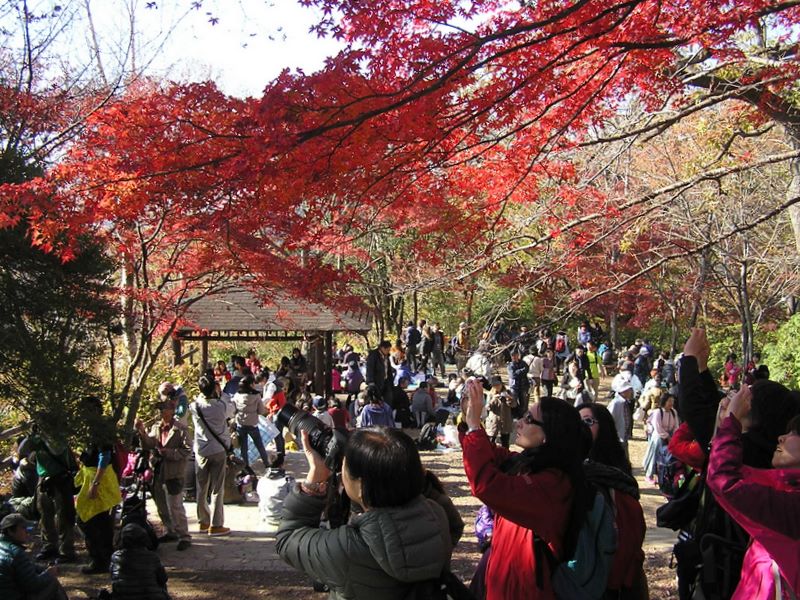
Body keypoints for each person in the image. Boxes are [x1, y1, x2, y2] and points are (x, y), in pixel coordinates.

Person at [276, 427, 453, 598]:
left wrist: (315, 477)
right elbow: (454, 525)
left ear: (361, 487)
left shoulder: (347, 548)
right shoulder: (437, 516)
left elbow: (288, 538)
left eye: (344, 466)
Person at [460, 380, 589, 599]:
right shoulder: (526, 464)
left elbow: (487, 485)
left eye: (529, 419)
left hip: (527, 590)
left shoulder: (551, 484)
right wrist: (470, 418)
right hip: (506, 584)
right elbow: (490, 455)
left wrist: (474, 427)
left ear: (548, 434)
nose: (519, 422)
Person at [706, 385, 800, 599]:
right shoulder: (781, 485)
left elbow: (725, 481)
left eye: (795, 432)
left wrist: (732, 421)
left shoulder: (793, 503)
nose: (782, 437)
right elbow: (728, 474)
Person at [576, 403, 648, 599]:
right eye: (577, 422)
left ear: (604, 427)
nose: (581, 427)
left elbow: (632, 532)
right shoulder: (569, 471)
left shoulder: (617, 474)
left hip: (616, 582)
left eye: (588, 421)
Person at [135, 399, 192, 551]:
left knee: (175, 505)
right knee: (161, 504)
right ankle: (170, 530)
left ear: (172, 411)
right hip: (158, 471)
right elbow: (149, 444)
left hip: (174, 472)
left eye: (164, 409)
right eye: (160, 410)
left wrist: (169, 453)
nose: (162, 412)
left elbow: (187, 450)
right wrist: (141, 432)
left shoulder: (180, 429)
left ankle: (184, 535)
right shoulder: (156, 427)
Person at [75, 395, 119, 575]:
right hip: (93, 475)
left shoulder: (100, 429)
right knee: (100, 520)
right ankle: (104, 557)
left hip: (100, 478)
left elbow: (105, 456)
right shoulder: (93, 428)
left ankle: (100, 559)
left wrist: (95, 483)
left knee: (89, 520)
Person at [189, 374, 235, 536]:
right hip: (218, 450)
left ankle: (203, 522)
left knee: (201, 488)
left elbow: (198, 399)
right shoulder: (220, 406)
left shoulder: (194, 406)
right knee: (217, 488)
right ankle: (216, 525)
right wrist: (220, 392)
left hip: (201, 450)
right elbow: (232, 409)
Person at [22, 433, 77, 563]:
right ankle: (49, 546)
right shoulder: (36, 439)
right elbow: (22, 450)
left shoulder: (58, 437)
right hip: (43, 479)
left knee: (64, 515)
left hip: (60, 478)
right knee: (44, 514)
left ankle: (67, 550)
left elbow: (57, 450)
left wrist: (45, 435)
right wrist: (30, 436)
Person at [0, 513, 68, 600]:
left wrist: (43, 569)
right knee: (52, 582)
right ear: (10, 531)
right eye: (23, 528)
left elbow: (25, 567)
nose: (27, 532)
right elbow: (33, 585)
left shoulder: (4, 546)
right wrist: (49, 574)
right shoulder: (16, 552)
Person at [108, 523, 170, 600]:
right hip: (152, 597)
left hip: (123, 597)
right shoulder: (152, 557)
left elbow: (114, 578)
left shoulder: (116, 557)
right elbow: (163, 578)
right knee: (162, 584)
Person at [232, 374, 271, 470]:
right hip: (253, 424)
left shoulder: (237, 395)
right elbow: (261, 411)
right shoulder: (256, 396)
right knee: (259, 445)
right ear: (250, 384)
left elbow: (233, 410)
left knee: (243, 448)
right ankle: (266, 464)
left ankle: (246, 467)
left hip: (241, 424)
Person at [642, 392, 679, 483]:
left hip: (670, 436)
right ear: (664, 401)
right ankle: (649, 475)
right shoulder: (658, 412)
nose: (671, 403)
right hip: (658, 436)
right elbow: (658, 428)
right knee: (655, 454)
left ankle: (663, 474)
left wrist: (673, 436)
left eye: (672, 401)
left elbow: (676, 426)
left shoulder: (674, 412)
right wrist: (667, 437)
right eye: (669, 401)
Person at [485, 376, 518, 448]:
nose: (497, 386)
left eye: (498, 384)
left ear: (502, 384)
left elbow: (514, 405)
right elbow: (487, 407)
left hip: (506, 420)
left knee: (505, 442)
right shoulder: (490, 394)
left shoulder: (508, 392)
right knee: (491, 441)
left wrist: (509, 399)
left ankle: (505, 456)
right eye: (495, 385)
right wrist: (493, 399)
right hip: (493, 420)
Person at [366, 340, 394, 406]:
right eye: (387, 350)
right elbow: (370, 369)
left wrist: (391, 382)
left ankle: (387, 413)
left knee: (389, 399)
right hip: (376, 381)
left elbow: (388, 369)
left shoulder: (386, 356)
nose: (388, 351)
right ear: (382, 348)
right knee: (377, 400)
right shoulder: (373, 355)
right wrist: (371, 381)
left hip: (386, 380)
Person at [507, 348, 530, 412]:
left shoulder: (523, 362)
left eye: (515, 355)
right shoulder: (510, 365)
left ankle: (522, 415)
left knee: (524, 403)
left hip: (523, 386)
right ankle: (515, 415)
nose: (514, 357)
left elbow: (527, 369)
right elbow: (513, 375)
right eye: (512, 355)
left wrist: (518, 371)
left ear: (518, 355)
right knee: (513, 403)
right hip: (514, 387)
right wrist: (521, 370)